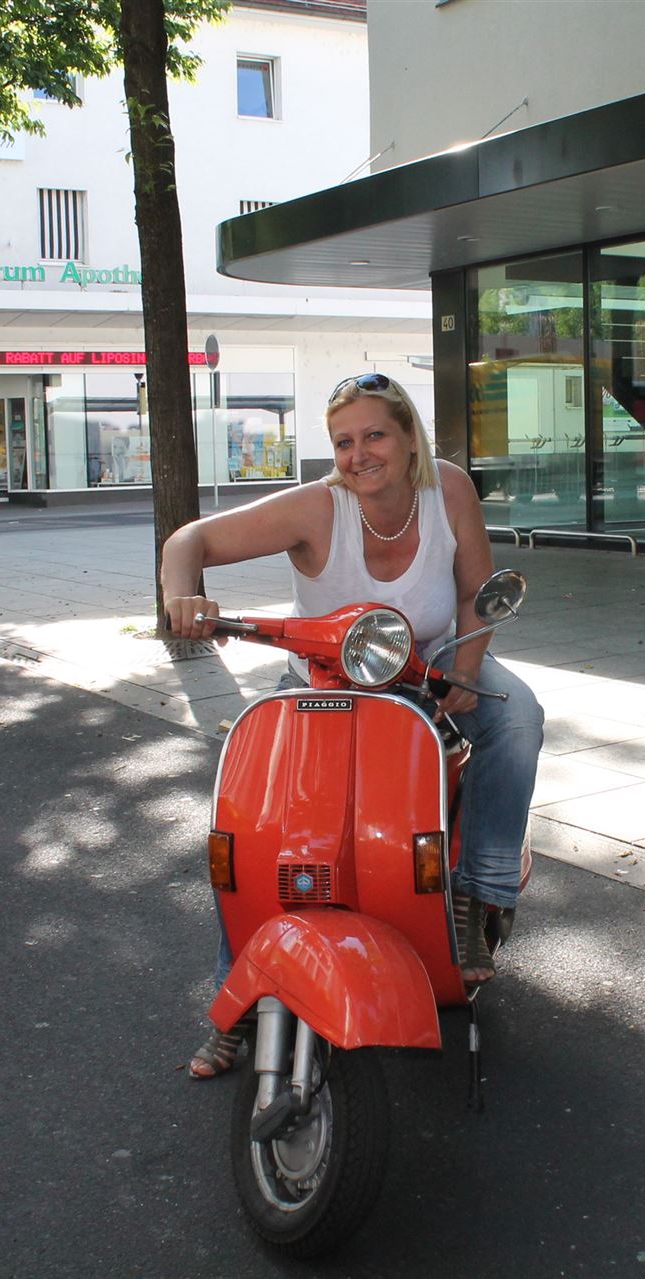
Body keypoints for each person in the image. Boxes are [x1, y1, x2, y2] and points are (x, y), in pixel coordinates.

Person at [162, 372, 544, 1079]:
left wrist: (465, 667)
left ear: (408, 438)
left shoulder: (448, 490)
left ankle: (478, 891)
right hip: (322, 676)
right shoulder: (318, 507)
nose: (359, 454)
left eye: (374, 435)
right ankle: (232, 993)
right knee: (254, 825)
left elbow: (474, 593)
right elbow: (192, 539)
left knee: (517, 716)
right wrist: (184, 594)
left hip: (428, 659)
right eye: (343, 441)